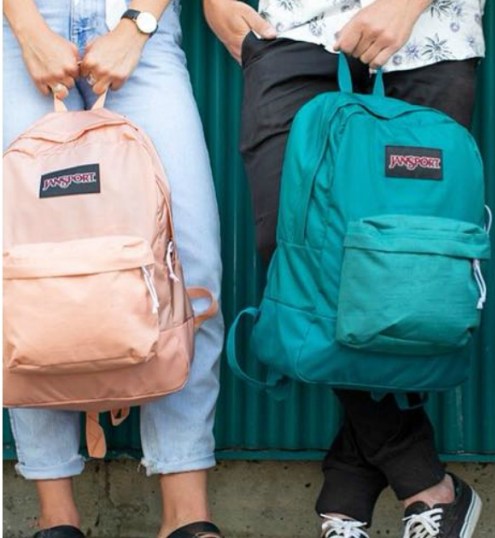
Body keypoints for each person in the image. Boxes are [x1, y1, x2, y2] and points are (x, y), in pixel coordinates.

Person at [203, 1, 485, 537]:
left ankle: (348, 489)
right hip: (294, 30)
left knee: (403, 270)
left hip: (431, 35)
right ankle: (425, 482)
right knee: (292, 249)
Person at [2, 1, 226, 537]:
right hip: (21, 26)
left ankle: (186, 518)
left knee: (189, 263)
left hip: (139, 30)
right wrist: (27, 27)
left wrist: (137, 25)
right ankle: (56, 517)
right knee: (26, 266)